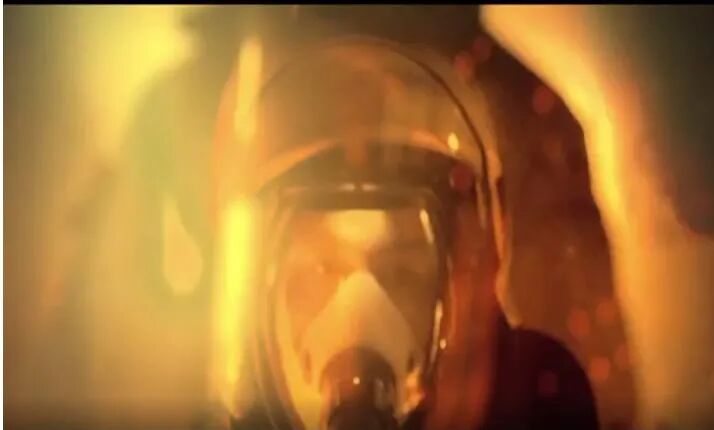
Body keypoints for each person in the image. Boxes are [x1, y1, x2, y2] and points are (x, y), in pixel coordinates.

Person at [209, 6, 602, 430]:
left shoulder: (535, 401)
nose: (357, 321)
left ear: (481, 257)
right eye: (318, 272)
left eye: (403, 272)